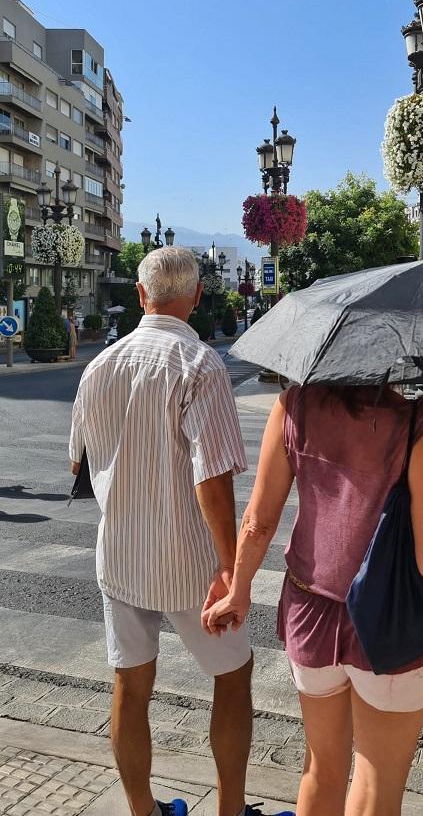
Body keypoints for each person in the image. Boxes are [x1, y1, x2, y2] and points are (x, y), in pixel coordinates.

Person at [69, 247, 289, 816]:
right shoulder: (199, 364)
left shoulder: (99, 367)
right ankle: (231, 810)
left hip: (119, 555)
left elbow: (79, 463)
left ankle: (143, 810)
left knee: (130, 686)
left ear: (140, 296)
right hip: (189, 562)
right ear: (195, 297)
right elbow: (211, 479)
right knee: (234, 676)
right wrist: (229, 565)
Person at [203, 384, 423, 816]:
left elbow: (258, 522)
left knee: (321, 768)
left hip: (309, 612)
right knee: (376, 779)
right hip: (388, 620)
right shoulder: (416, 425)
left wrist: (238, 590)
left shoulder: (293, 405)